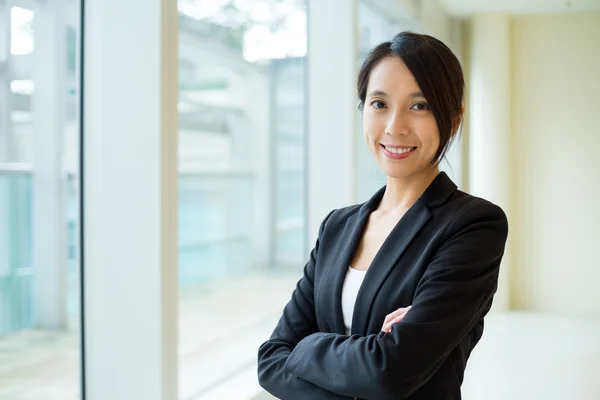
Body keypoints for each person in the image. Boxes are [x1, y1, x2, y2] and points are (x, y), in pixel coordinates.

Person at [257, 31, 508, 400]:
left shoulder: (472, 225)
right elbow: (270, 359)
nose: (395, 127)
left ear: (453, 119)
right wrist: (367, 358)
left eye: (419, 105)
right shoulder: (337, 227)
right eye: (379, 104)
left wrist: (308, 346)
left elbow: (391, 372)